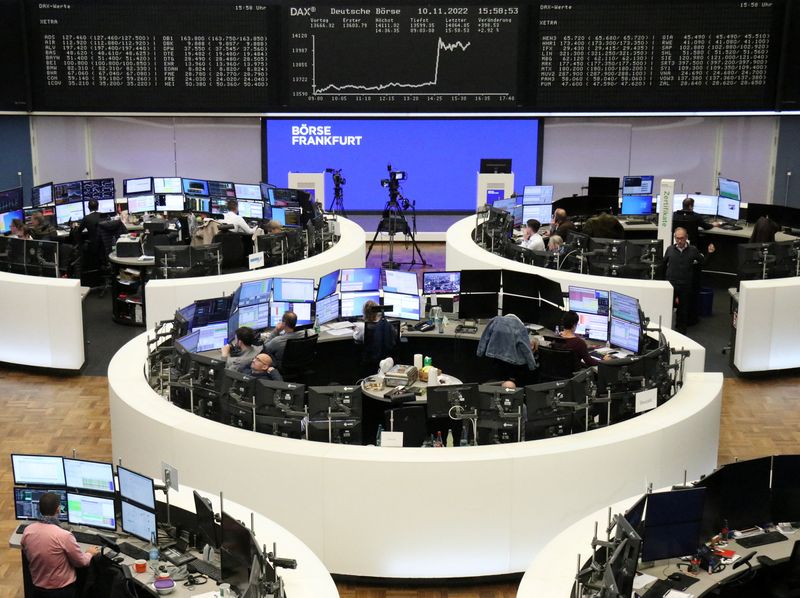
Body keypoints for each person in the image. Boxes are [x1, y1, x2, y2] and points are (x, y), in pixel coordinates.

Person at [21, 492, 99, 597]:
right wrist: (90, 553)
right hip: (62, 591)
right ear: (58, 509)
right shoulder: (64, 535)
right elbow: (81, 562)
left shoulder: (28, 531)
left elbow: (26, 550)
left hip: (37, 589)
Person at [663, 227, 707, 333]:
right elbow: (663, 265)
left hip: (685, 285)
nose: (679, 241)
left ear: (686, 238)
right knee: (667, 308)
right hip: (671, 285)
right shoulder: (669, 249)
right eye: (677, 238)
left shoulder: (693, 250)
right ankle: (666, 331)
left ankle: (681, 333)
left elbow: (703, 262)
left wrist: (709, 253)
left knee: (683, 311)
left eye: (681, 238)